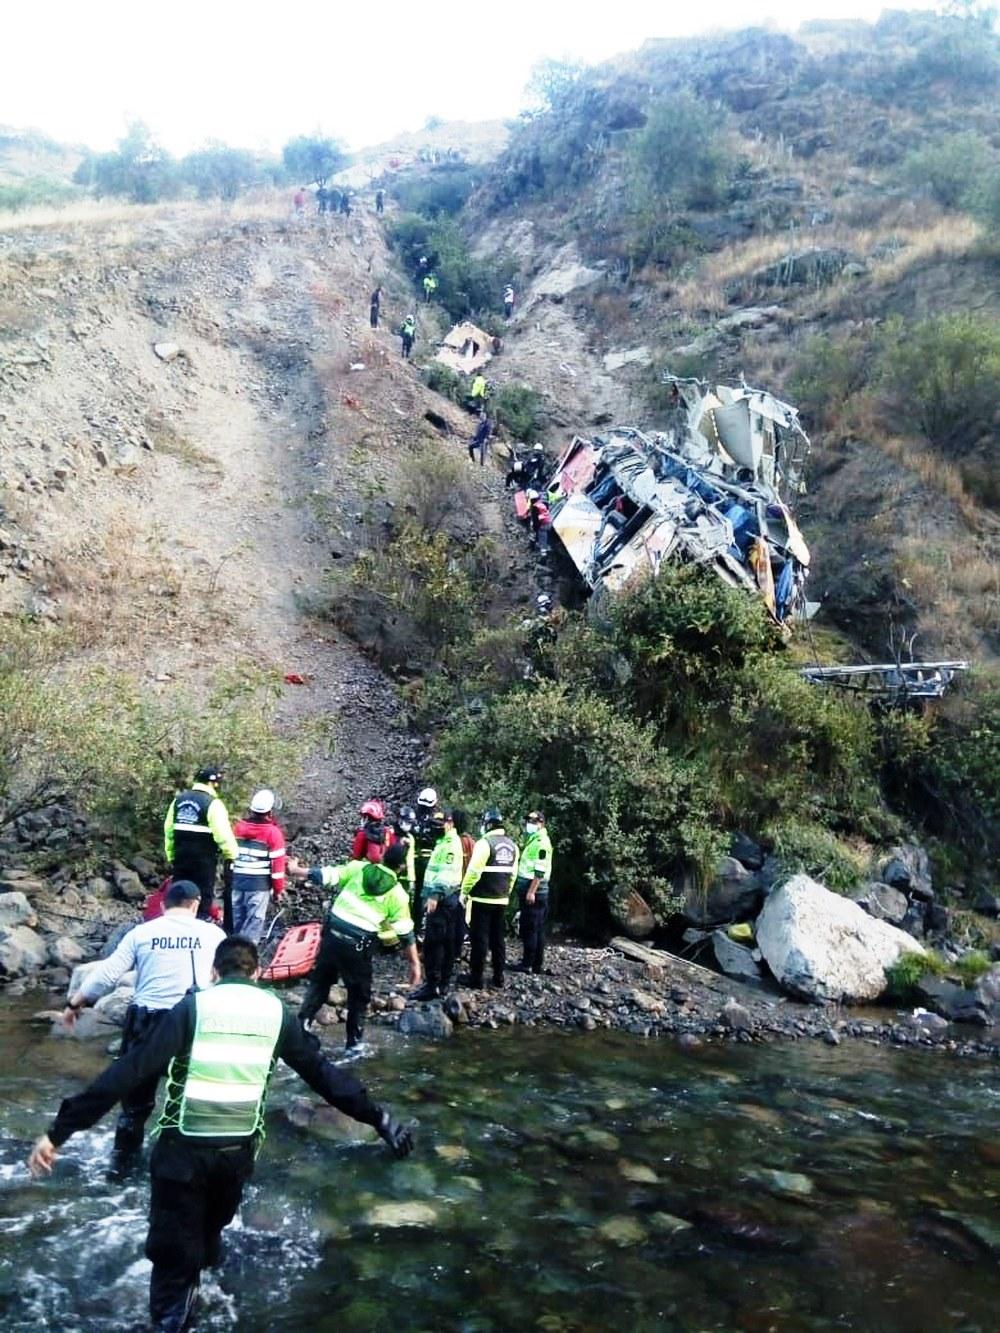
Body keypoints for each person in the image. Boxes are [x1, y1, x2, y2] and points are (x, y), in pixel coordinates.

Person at [29, 935, 413, 1332]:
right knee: (208, 1239)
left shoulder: (194, 1007)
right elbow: (325, 1077)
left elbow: (129, 1071)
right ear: (257, 974)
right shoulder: (277, 1013)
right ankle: (202, 1291)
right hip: (235, 1158)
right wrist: (379, 1118)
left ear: (214, 972)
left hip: (182, 1156)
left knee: (173, 1267)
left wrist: (60, 1131)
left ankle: (177, 1313)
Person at [61, 878, 225, 1159]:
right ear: (196, 905)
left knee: (134, 1103)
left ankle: (122, 1166)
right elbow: (224, 978)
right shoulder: (214, 935)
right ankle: (183, 1159)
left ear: (163, 905)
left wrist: (76, 1002)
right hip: (193, 1021)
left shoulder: (143, 932)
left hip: (146, 1023)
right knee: (191, 1099)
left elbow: (108, 973)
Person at [292, 843, 421, 1047]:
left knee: (320, 984)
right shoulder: (398, 895)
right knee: (359, 996)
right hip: (357, 946)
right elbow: (405, 933)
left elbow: (327, 875)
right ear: (402, 868)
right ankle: (353, 1045)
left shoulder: (359, 868)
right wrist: (415, 965)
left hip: (332, 936)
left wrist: (296, 870)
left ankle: (300, 1029)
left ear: (384, 855)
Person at [163, 765, 238, 922]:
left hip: (180, 857)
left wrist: (171, 855)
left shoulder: (178, 801)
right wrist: (232, 854)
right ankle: (199, 925)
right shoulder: (213, 804)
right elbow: (222, 834)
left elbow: (169, 831)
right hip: (203, 860)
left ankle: (175, 925)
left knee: (180, 893)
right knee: (203, 896)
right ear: (212, 784)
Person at [461, 808, 519, 990]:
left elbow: (473, 872)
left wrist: (464, 892)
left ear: (488, 824)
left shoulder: (484, 844)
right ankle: (498, 977)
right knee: (498, 940)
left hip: (481, 899)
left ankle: (476, 979)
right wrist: (506, 893)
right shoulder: (513, 846)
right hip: (501, 900)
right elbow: (513, 875)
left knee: (480, 939)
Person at [410, 809, 464, 1000]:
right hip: (447, 899)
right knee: (447, 942)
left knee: (435, 943)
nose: (436, 828)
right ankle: (442, 984)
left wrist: (434, 895)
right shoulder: (445, 842)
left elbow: (446, 873)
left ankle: (433, 984)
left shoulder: (449, 844)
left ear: (450, 824)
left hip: (442, 899)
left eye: (440, 824)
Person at [230, 789, 287, 944]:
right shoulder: (273, 833)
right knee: (254, 923)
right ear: (270, 811)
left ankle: (231, 951)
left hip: (236, 882)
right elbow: (277, 869)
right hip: (258, 886)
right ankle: (247, 957)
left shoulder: (237, 827)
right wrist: (278, 890)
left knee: (235, 921)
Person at [514, 811, 554, 973]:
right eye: (528, 820)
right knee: (536, 928)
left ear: (541, 823)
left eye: (533, 821)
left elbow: (540, 869)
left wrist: (531, 891)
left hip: (535, 892)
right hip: (532, 890)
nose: (529, 823)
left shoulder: (542, 842)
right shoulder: (534, 840)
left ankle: (528, 964)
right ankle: (536, 963)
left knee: (531, 928)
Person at [391, 804, 418, 912]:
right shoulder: (390, 833)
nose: (408, 825)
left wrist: (411, 879)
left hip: (404, 878)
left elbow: (410, 860)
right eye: (407, 822)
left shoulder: (410, 838)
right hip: (390, 873)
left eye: (410, 823)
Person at [350, 798, 393, 863]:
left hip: (368, 869)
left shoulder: (362, 834)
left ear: (366, 818)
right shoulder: (388, 831)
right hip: (386, 868)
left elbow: (356, 856)